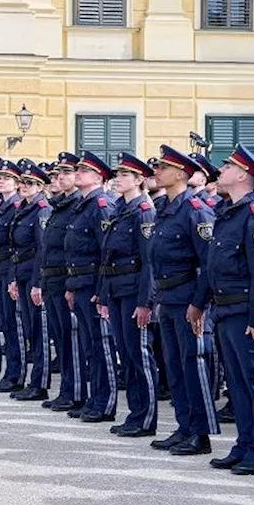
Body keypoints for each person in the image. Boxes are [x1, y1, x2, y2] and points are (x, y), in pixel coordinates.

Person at [191, 145, 254, 476]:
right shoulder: (228, 211)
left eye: (228, 166)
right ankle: (245, 443)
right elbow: (212, 264)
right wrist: (199, 303)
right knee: (239, 384)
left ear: (243, 174)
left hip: (247, 313)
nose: (222, 170)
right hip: (226, 310)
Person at [148, 146, 220, 455]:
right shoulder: (164, 207)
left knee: (193, 365)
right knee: (174, 366)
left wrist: (199, 303)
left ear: (180, 174)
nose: (157, 172)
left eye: (163, 168)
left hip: (188, 297)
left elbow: (208, 263)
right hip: (167, 296)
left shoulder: (196, 209)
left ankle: (200, 434)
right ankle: (184, 425)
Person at [97, 153, 157, 437]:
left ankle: (146, 418)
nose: (117, 179)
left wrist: (146, 302)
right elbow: (108, 257)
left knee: (138, 354)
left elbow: (149, 261)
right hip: (118, 290)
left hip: (134, 292)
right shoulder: (120, 209)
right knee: (127, 354)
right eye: (117, 175)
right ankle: (135, 413)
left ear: (139, 180)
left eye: (124, 175)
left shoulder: (143, 210)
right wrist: (105, 296)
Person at [63, 152, 118, 424]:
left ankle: (105, 403)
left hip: (94, 285)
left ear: (98, 177)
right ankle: (93, 398)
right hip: (80, 283)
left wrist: (102, 292)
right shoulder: (83, 205)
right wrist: (71, 285)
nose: (78, 173)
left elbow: (106, 253)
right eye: (79, 170)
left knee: (101, 344)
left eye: (85, 170)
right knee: (89, 346)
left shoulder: (102, 204)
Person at [9, 163, 52, 401]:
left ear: (40, 187)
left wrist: (37, 283)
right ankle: (30, 380)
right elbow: (16, 247)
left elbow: (42, 249)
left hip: (34, 276)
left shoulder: (42, 209)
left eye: (31, 183)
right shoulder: (23, 208)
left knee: (38, 331)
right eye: (23, 182)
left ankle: (39, 383)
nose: (25, 187)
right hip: (22, 273)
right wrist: (15, 278)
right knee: (28, 328)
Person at [0, 160, 25, 392]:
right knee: (4, 323)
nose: (2, 182)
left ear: (17, 184)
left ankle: (16, 375)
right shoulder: (0, 206)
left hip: (11, 270)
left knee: (13, 325)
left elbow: (14, 248)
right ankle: (9, 372)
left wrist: (12, 278)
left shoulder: (18, 207)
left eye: (7, 179)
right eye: (0, 178)